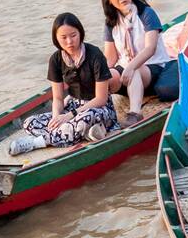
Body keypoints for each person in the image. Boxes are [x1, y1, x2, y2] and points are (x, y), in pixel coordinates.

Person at [10, 14, 117, 155]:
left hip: (98, 109)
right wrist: (56, 119)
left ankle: (37, 143)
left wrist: (69, 116)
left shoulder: (95, 55)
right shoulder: (55, 59)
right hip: (73, 106)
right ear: (56, 38)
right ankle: (80, 133)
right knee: (29, 123)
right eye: (63, 37)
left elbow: (101, 99)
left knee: (85, 118)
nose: (69, 42)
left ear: (80, 33)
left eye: (73, 35)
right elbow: (58, 99)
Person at [100, 0, 179, 126]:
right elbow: (110, 59)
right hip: (124, 69)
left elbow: (150, 48)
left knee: (135, 69)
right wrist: (95, 77)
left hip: (153, 68)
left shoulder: (146, 13)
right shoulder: (111, 23)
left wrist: (130, 66)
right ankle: (101, 116)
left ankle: (135, 113)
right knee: (105, 76)